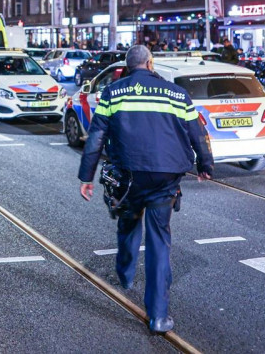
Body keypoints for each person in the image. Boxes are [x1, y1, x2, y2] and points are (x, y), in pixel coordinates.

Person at [78, 45, 213, 334]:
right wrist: (205, 164)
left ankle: (125, 272)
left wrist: (86, 176)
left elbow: (96, 137)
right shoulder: (176, 93)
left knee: (128, 222)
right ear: (150, 63)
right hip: (165, 177)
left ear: (128, 66)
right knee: (159, 241)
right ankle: (159, 316)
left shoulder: (113, 93)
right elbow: (196, 132)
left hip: (128, 175)